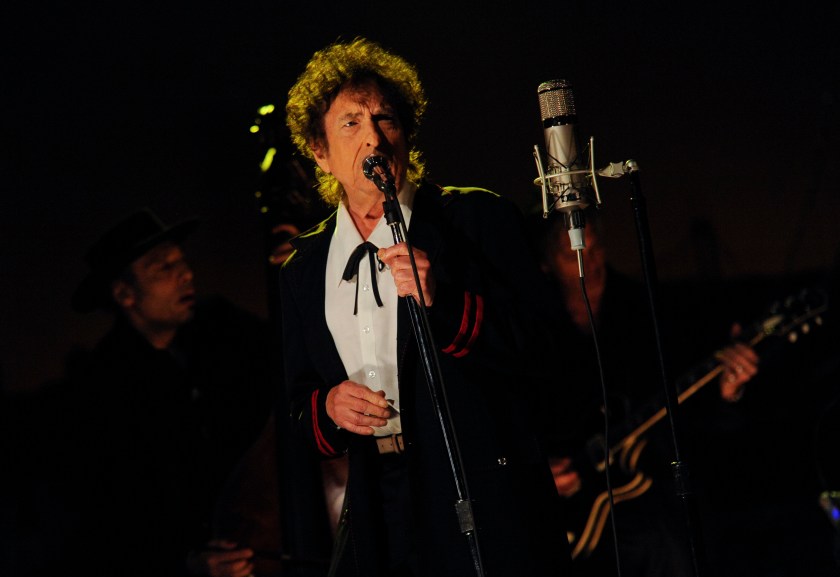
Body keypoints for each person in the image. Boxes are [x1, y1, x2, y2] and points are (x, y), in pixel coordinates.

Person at [279, 37, 574, 576]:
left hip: (483, 496)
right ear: (319, 152)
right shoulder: (303, 269)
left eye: (385, 118)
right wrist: (327, 408)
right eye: (350, 123)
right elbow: (296, 404)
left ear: (406, 134)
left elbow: (546, 350)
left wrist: (444, 302)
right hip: (377, 507)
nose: (373, 136)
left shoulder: (477, 221)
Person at [50, 208, 280, 577]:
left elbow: (282, 359)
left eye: (181, 261)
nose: (185, 275)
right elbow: (112, 512)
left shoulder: (219, 323)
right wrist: (185, 563)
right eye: (163, 268)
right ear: (125, 294)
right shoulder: (104, 387)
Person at [530, 210, 760, 577]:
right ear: (545, 264)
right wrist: (537, 469)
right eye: (569, 253)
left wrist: (728, 389)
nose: (587, 261)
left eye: (595, 248)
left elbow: (690, 405)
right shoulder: (533, 329)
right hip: (576, 511)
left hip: (651, 497)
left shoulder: (645, 309)